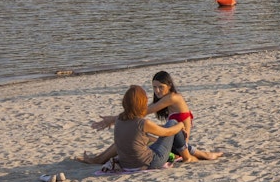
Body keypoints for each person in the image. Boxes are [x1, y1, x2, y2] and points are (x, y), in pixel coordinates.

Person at [78, 71, 220, 164]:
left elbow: (142, 112)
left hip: (178, 147)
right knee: (134, 139)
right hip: (175, 144)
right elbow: (139, 111)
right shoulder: (166, 98)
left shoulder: (173, 97)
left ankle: (200, 155)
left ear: (169, 85)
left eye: (160, 87)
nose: (157, 91)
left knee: (166, 126)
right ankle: (97, 159)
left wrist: (114, 119)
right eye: (154, 87)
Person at [106, 85, 185, 170]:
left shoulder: (118, 119)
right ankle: (186, 156)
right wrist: (180, 125)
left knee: (151, 143)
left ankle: (184, 152)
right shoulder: (142, 123)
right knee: (172, 123)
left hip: (127, 164)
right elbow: (167, 132)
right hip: (150, 162)